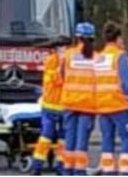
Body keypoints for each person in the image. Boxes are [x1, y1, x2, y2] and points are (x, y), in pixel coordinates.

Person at [96, 22, 128, 175]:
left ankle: (108, 170)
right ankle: (125, 170)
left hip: (102, 104)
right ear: (118, 38)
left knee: (107, 138)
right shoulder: (120, 56)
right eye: (122, 40)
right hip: (118, 103)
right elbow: (126, 82)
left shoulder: (99, 57)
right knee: (127, 137)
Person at [61, 22, 97, 176]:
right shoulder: (96, 58)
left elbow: (61, 76)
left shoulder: (68, 55)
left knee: (69, 138)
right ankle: (79, 171)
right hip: (87, 104)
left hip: (70, 102)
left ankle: (67, 169)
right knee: (82, 139)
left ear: (77, 37)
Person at [32, 43, 67, 175]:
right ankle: (37, 166)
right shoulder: (51, 62)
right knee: (46, 136)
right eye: (62, 50)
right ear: (56, 51)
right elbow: (57, 80)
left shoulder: (65, 61)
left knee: (63, 138)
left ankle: (61, 166)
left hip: (63, 107)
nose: (64, 52)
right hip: (50, 107)